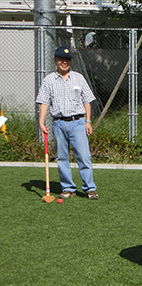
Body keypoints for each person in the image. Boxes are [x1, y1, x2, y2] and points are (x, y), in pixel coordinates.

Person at [36, 46, 98, 200]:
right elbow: (44, 102)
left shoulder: (78, 78)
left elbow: (87, 101)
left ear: (70, 61)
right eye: (61, 59)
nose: (64, 62)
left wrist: (88, 121)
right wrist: (41, 121)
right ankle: (67, 188)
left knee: (83, 156)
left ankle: (90, 189)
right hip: (58, 123)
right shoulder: (48, 80)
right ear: (55, 60)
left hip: (77, 122)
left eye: (67, 59)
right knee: (62, 157)